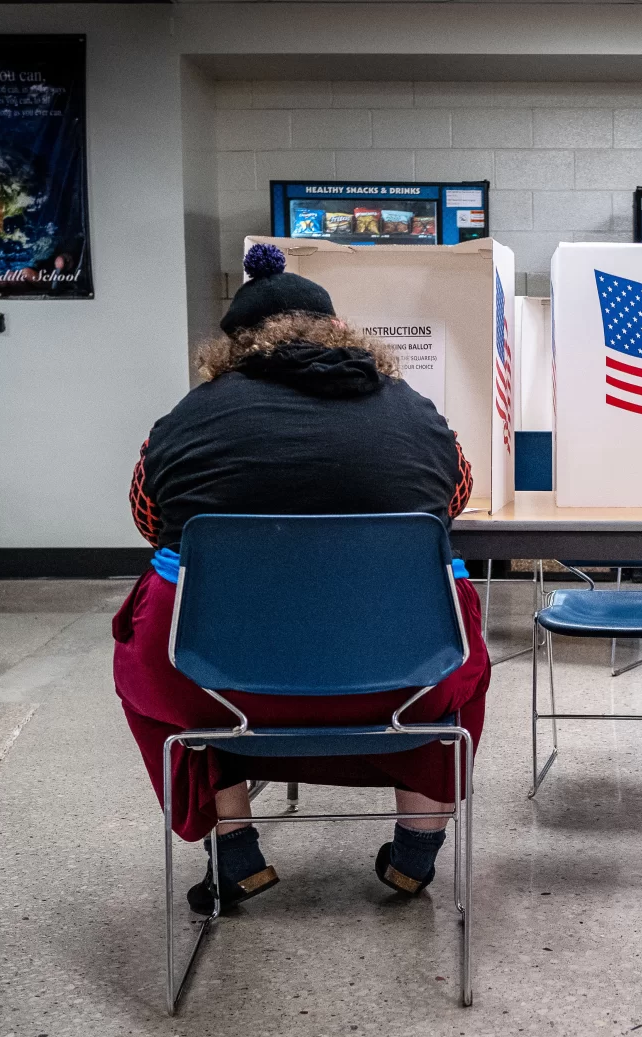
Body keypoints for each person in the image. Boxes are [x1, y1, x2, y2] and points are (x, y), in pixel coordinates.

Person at [115, 243, 487, 913]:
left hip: (218, 683)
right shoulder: (418, 416)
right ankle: (415, 852)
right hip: (403, 678)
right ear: (339, 330)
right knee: (460, 657)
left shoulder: (182, 422)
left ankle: (235, 853)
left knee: (157, 633)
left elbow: (150, 520)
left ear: (229, 349)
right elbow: (452, 501)